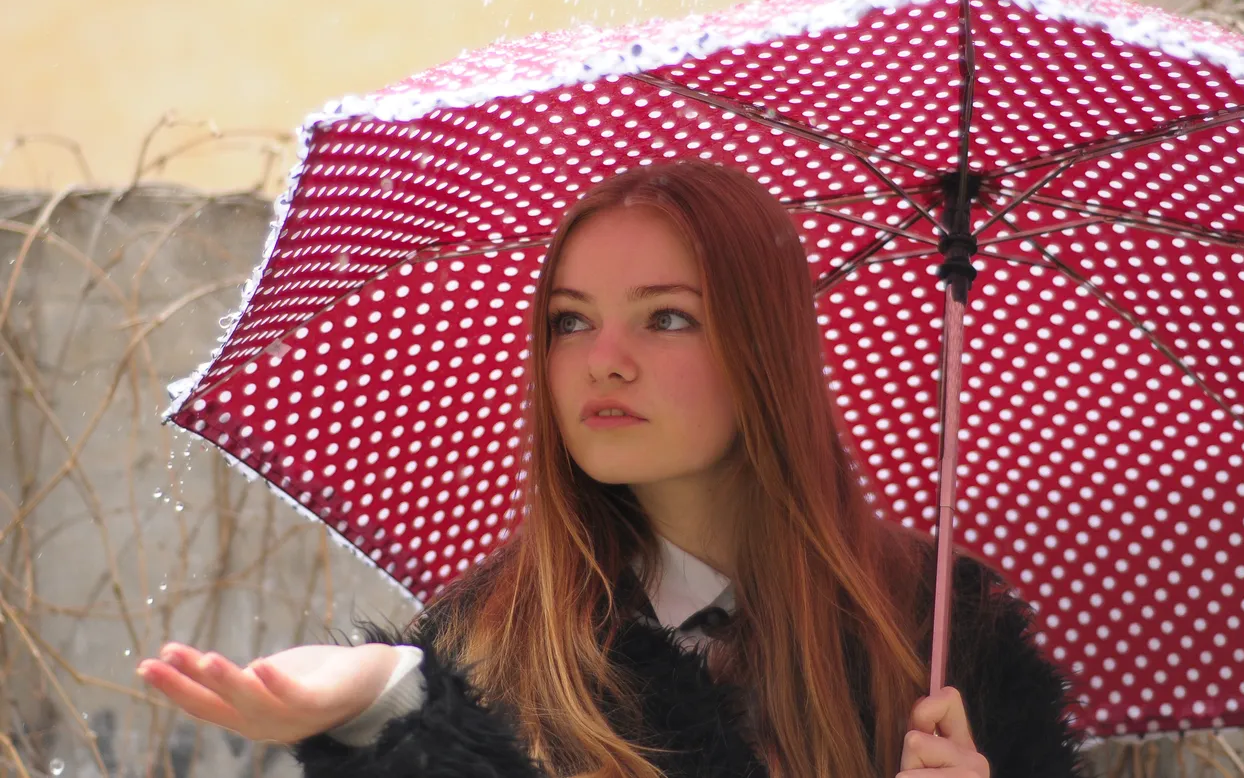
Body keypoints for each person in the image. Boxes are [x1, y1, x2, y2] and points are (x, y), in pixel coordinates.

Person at [137, 160, 1087, 778]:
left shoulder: (939, 638)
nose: (604, 359)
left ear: (766, 351)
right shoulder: (493, 647)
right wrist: (389, 700)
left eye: (666, 316)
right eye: (571, 321)